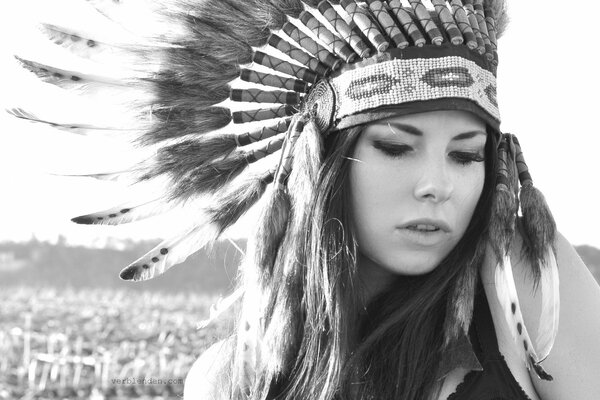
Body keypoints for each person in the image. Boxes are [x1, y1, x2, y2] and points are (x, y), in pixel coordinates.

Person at [8, 0, 600, 399]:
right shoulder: (229, 380)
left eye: (466, 154)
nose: (438, 184)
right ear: (320, 165)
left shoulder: (525, 283)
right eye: (397, 146)